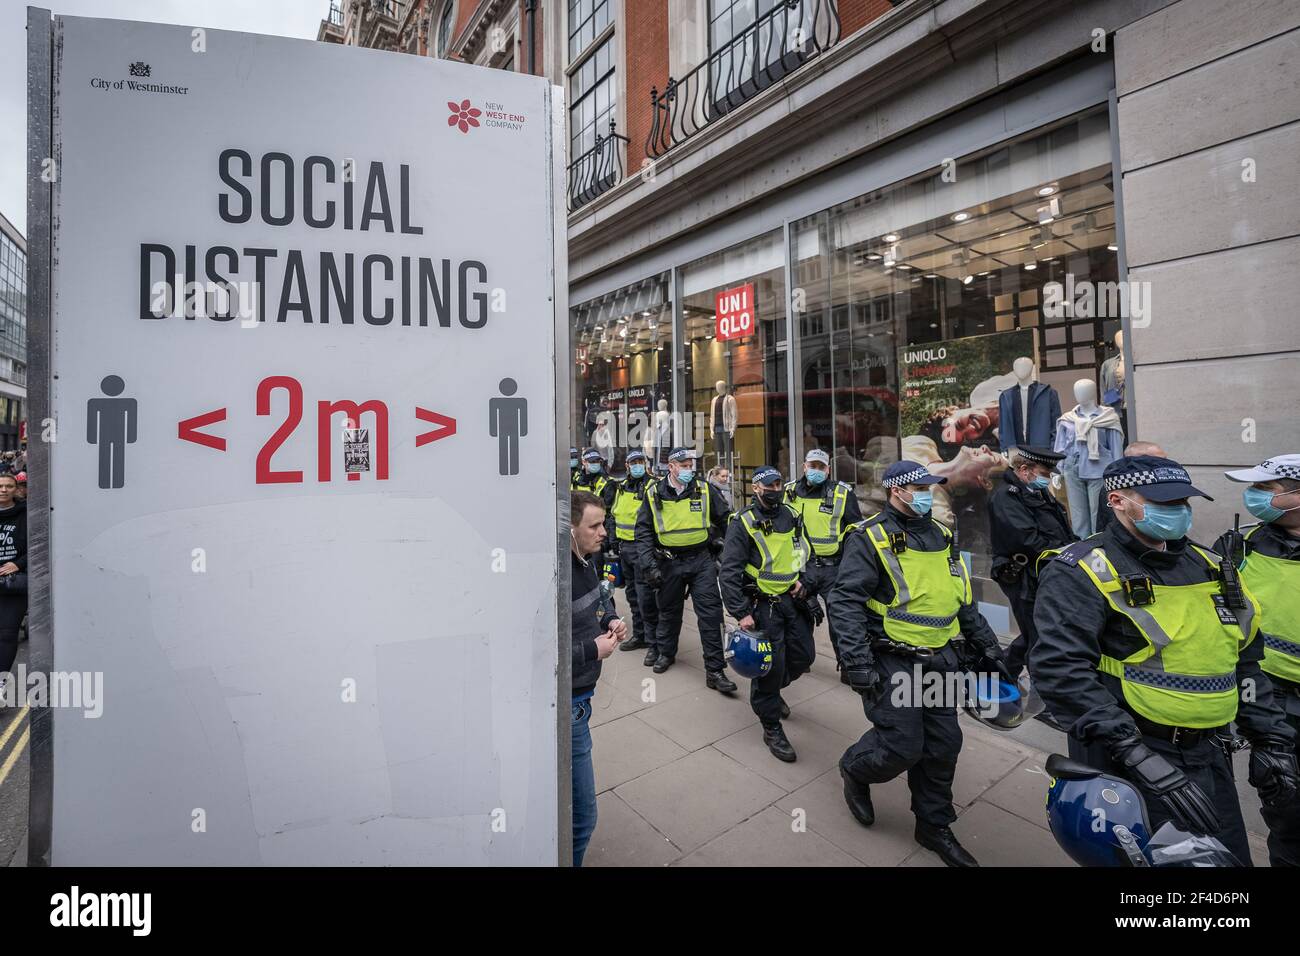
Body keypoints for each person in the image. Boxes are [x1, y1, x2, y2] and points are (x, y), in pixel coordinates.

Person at [1030, 455, 1297, 866]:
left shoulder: (1212, 566)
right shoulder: (1081, 569)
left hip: (1208, 754)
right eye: (1164, 503)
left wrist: (1270, 738)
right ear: (1117, 500)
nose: (1178, 513)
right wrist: (1135, 755)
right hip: (1131, 758)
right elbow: (1060, 670)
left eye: (1183, 502)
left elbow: (1244, 660)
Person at [829, 460, 1004, 866]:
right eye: (919, 488)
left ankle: (933, 825)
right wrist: (856, 661)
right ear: (897, 491)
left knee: (943, 745)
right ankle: (855, 770)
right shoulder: (869, 538)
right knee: (902, 746)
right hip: (893, 659)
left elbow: (961, 598)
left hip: (941, 659)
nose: (927, 493)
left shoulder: (943, 534)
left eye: (930, 487)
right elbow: (845, 601)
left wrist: (988, 646)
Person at [1220, 455, 1300, 867]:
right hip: (1273, 705)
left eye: (1265, 490)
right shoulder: (1240, 547)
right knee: (1288, 814)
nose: (1253, 498)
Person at [720, 465, 816, 762]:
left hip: (791, 602)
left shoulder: (792, 516)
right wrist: (740, 612)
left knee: (803, 657)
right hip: (762, 606)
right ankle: (771, 725)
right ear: (757, 488)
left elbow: (806, 553)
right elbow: (729, 572)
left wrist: (805, 579)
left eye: (778, 484)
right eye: (769, 485)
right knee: (770, 668)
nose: (775, 489)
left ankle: (772, 692)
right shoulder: (743, 522)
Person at [634, 447, 737, 693]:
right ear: (671, 467)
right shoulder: (653, 493)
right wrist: (649, 565)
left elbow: (726, 520)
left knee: (711, 615)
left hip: (701, 561)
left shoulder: (704, 489)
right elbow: (644, 532)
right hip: (669, 562)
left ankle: (715, 670)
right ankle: (666, 654)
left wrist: (730, 552)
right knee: (668, 612)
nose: (690, 468)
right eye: (685, 464)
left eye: (692, 464)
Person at [569, 490, 626, 866]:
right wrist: (594, 650)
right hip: (568, 706)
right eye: (595, 525)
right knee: (583, 818)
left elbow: (603, 599)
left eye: (603, 523)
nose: (604, 532)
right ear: (570, 531)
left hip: (581, 701)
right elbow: (542, 652)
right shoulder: (557, 575)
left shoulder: (587, 559)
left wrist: (610, 620)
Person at [987, 446, 1075, 683]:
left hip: (1045, 572)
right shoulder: (1006, 497)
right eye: (1045, 472)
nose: (1048, 477)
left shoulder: (1037, 493)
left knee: (1035, 633)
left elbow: (1060, 529)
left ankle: (999, 674)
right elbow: (1028, 540)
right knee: (1039, 638)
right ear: (1025, 470)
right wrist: (1067, 553)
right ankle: (1045, 693)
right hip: (1024, 576)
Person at [783, 449, 862, 680]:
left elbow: (854, 532)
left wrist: (851, 565)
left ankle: (847, 666)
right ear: (804, 466)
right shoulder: (788, 491)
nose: (816, 470)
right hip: (799, 565)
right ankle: (801, 658)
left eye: (821, 467)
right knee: (800, 616)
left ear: (828, 470)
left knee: (841, 619)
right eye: (812, 466)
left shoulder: (841, 493)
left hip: (832, 568)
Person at [609, 450, 659, 659]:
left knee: (646, 597)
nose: (637, 465)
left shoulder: (652, 486)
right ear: (627, 466)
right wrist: (612, 541)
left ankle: (654, 642)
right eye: (633, 462)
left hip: (643, 549)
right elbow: (614, 514)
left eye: (641, 462)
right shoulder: (621, 487)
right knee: (632, 596)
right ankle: (640, 635)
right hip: (625, 549)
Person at [1095, 441, 1166, 532]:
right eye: (1157, 461)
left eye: (1165, 460)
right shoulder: (1115, 487)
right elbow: (1105, 522)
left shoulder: (1163, 483)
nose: (1165, 466)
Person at [0, 474, 27, 704]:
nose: (4, 490)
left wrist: (17, 564)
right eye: (0, 486)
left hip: (13, 583)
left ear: (15, 489)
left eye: (9, 486)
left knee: (8, 634)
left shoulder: (26, 514)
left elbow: (38, 543)